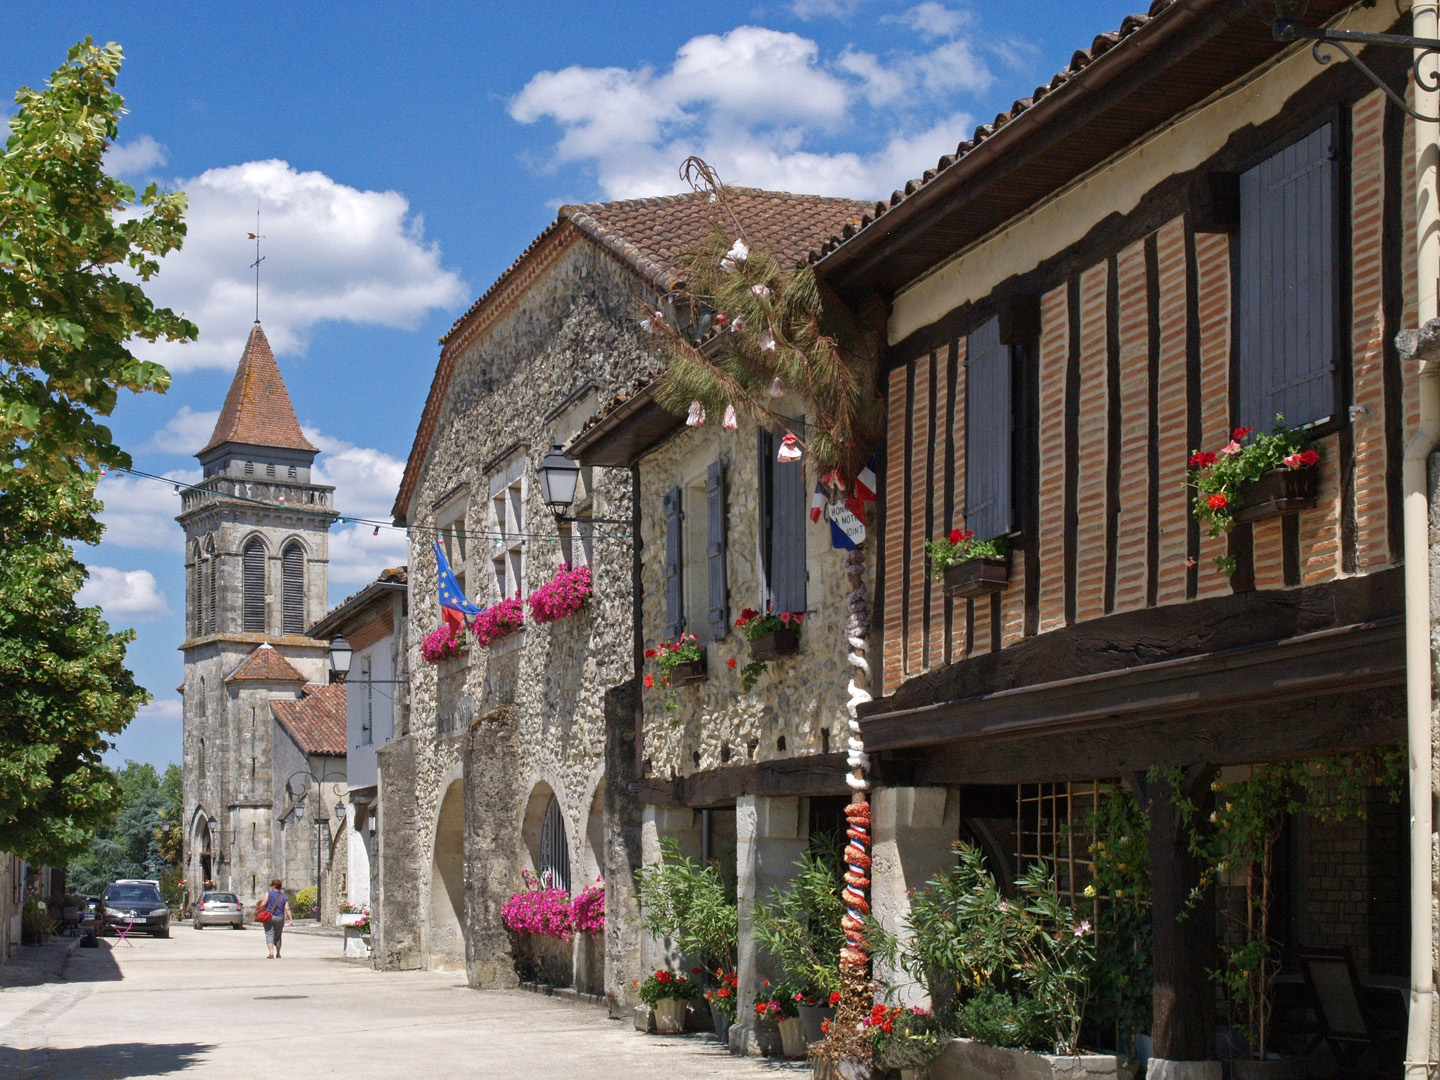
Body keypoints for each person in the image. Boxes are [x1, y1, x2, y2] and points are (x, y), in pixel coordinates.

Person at [258, 879, 293, 959]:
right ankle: (278, 953)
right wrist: (290, 919)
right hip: (280, 917)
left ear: (273, 886)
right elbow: (287, 908)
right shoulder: (284, 896)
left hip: (270, 917)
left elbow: (263, 904)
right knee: (278, 935)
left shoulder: (269, 893)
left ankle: (271, 952)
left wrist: (260, 911)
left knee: (269, 933)